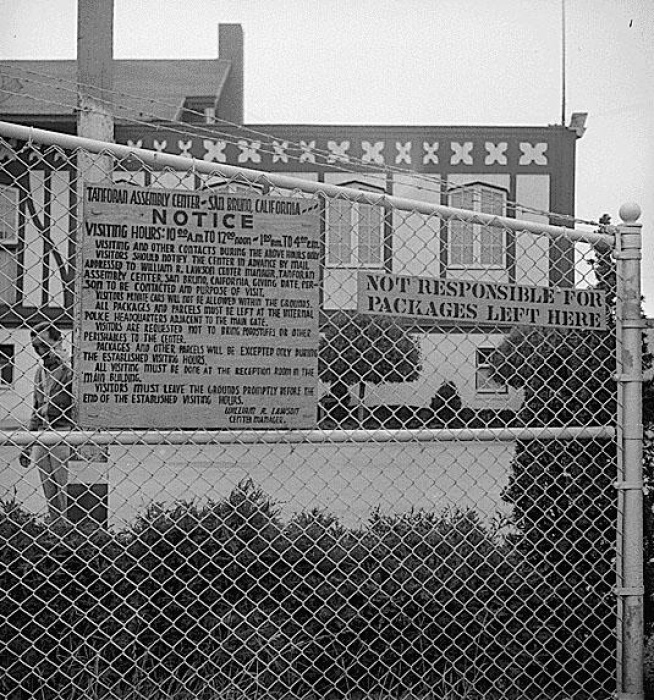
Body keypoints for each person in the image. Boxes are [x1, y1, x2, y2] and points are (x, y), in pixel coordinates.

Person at [20, 321, 76, 525]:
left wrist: (64, 361)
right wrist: (27, 444)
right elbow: (36, 408)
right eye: (36, 347)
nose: (41, 351)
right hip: (43, 433)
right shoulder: (39, 372)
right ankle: (56, 529)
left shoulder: (71, 370)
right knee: (49, 489)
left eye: (44, 345)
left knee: (65, 490)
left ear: (59, 341)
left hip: (64, 432)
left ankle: (70, 530)